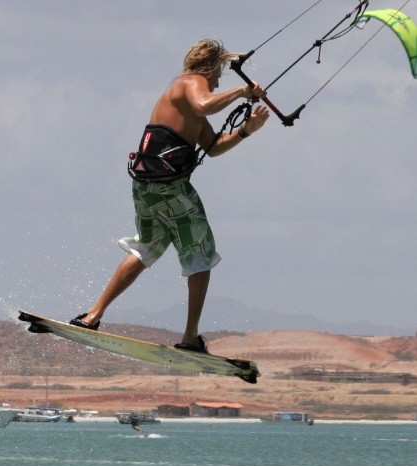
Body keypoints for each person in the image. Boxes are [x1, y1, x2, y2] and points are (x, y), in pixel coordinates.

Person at [70, 38, 269, 353]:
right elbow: (206, 103)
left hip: (145, 187)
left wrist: (246, 130)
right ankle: (190, 337)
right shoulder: (191, 82)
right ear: (211, 66)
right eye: (218, 75)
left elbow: (214, 148)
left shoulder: (188, 101)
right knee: (200, 256)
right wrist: (242, 92)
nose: (218, 82)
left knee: (147, 247)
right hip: (171, 187)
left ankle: (93, 315)